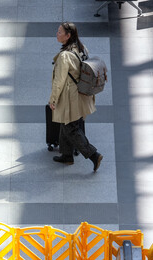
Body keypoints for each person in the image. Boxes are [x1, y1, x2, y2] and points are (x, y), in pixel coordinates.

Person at [49, 22, 103, 172]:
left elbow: (59, 81)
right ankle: (67, 155)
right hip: (81, 93)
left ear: (68, 36)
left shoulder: (64, 56)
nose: (57, 34)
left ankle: (94, 155)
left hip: (70, 97)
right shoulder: (81, 47)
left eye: (60, 32)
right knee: (66, 123)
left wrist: (53, 99)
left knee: (70, 127)